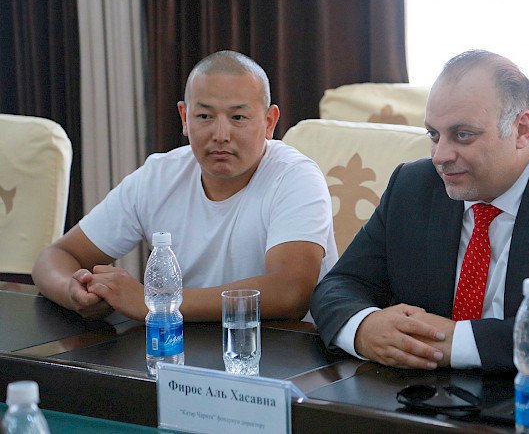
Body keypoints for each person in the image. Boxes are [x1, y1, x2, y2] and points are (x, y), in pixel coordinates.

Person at [310, 50, 529, 373]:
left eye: (463, 135)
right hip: (427, 394)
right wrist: (363, 328)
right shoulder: (413, 185)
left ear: (521, 130)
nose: (440, 156)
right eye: (433, 134)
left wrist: (458, 343)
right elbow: (340, 284)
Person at [32, 50, 337, 322]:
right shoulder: (159, 176)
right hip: (179, 347)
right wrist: (74, 291)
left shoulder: (295, 177)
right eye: (204, 116)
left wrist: (158, 304)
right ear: (184, 118)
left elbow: (290, 293)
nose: (221, 134)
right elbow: (55, 257)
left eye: (238, 117)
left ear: (269, 122)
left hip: (281, 351)